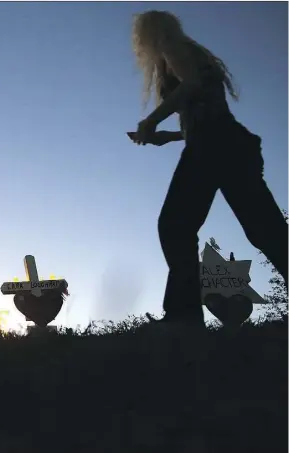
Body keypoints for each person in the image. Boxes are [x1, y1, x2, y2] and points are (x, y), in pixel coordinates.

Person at [127, 11, 288, 331]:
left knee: (175, 224)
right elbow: (206, 109)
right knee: (265, 229)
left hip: (213, 145)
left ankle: (183, 316)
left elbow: (191, 85)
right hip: (230, 144)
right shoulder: (190, 50)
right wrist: (169, 137)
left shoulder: (172, 48)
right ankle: (183, 316)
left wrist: (152, 120)